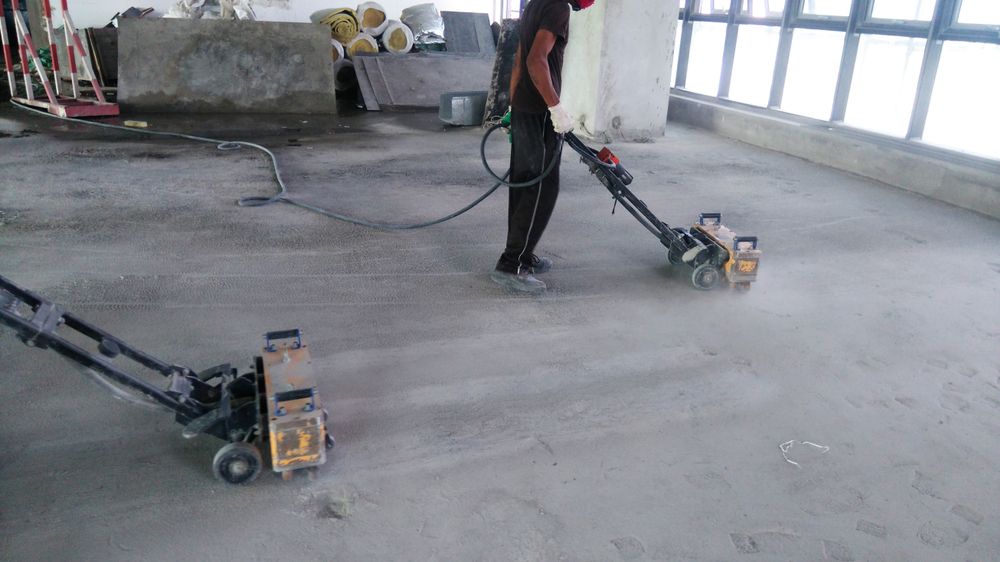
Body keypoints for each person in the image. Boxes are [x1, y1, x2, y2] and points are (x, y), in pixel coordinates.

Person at [490, 0, 595, 294]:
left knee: (525, 184)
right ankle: (512, 264)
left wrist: (513, 105)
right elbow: (536, 59)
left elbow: (519, 57)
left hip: (527, 108)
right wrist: (556, 108)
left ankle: (522, 254)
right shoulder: (558, 8)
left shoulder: (536, 3)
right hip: (538, 112)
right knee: (539, 188)